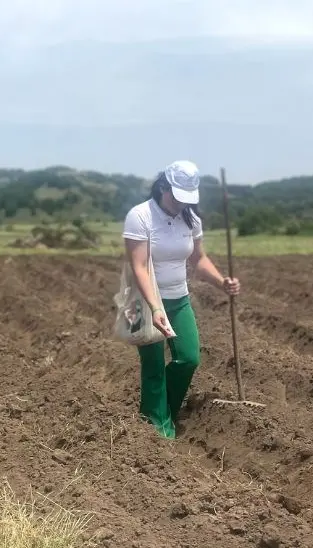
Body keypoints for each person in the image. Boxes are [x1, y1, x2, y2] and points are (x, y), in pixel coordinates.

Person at [122, 160, 241, 438]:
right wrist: (154, 307)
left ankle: (164, 413)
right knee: (153, 366)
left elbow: (199, 260)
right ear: (163, 186)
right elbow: (139, 266)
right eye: (177, 197)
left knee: (188, 358)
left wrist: (223, 282)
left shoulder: (191, 218)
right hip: (144, 299)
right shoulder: (140, 216)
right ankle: (158, 431)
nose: (181, 204)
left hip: (179, 298)